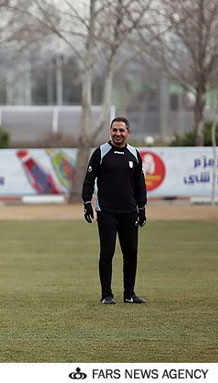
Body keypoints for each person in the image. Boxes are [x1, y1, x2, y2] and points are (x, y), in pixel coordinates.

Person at [82, 116, 147, 305]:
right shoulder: (100, 153)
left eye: (121, 130)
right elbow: (89, 179)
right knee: (107, 253)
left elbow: (139, 183)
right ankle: (107, 295)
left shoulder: (134, 154)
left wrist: (141, 207)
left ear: (128, 132)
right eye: (114, 130)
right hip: (106, 212)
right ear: (110, 131)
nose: (118, 134)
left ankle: (129, 294)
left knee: (131, 252)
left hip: (129, 212)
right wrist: (87, 203)